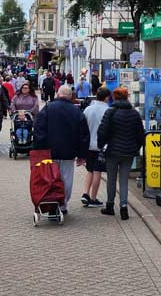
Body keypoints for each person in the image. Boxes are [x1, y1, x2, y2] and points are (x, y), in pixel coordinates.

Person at [34, 85, 89, 215]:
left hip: (49, 152)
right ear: (70, 96)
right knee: (66, 179)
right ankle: (63, 205)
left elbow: (39, 129)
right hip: (68, 152)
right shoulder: (76, 111)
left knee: (50, 178)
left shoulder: (48, 108)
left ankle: (51, 203)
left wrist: (39, 148)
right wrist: (82, 154)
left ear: (58, 94)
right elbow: (84, 135)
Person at [97, 87, 145, 220]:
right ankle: (124, 208)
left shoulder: (110, 112)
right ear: (127, 97)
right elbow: (141, 134)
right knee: (123, 180)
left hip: (112, 151)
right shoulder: (134, 113)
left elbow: (102, 131)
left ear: (115, 97)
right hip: (129, 152)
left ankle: (110, 206)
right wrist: (136, 147)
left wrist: (101, 146)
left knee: (111, 179)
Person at [81, 87, 110, 208]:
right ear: (106, 97)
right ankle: (93, 198)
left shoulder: (88, 109)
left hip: (88, 145)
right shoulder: (107, 110)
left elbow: (82, 126)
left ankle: (85, 193)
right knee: (98, 171)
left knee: (90, 170)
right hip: (101, 146)